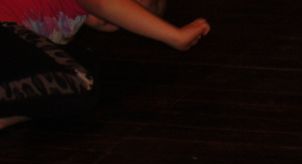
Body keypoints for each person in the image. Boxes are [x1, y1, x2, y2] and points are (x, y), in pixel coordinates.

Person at [0, 0, 209, 129]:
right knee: (77, 80)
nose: (120, 20)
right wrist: (175, 36)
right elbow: (102, 3)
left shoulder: (69, 19)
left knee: (82, 74)